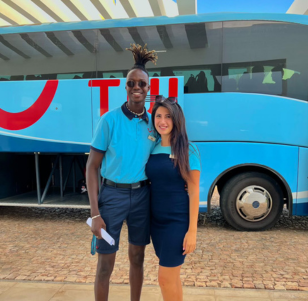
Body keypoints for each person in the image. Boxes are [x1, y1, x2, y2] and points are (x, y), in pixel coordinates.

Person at [86, 44, 158, 301]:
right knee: (105, 264)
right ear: (125, 87)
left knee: (137, 258)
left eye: (142, 84)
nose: (137, 88)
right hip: (112, 196)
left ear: (148, 89)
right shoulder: (109, 120)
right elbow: (92, 166)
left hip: (142, 197)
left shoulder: (153, 123)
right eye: (131, 83)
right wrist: (95, 213)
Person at [145, 97, 201, 301]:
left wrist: (192, 231)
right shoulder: (152, 148)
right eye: (158, 116)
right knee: (173, 279)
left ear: (176, 119)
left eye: (168, 116)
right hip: (156, 222)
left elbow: (194, 190)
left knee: (165, 279)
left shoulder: (188, 149)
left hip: (177, 223)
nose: (162, 121)